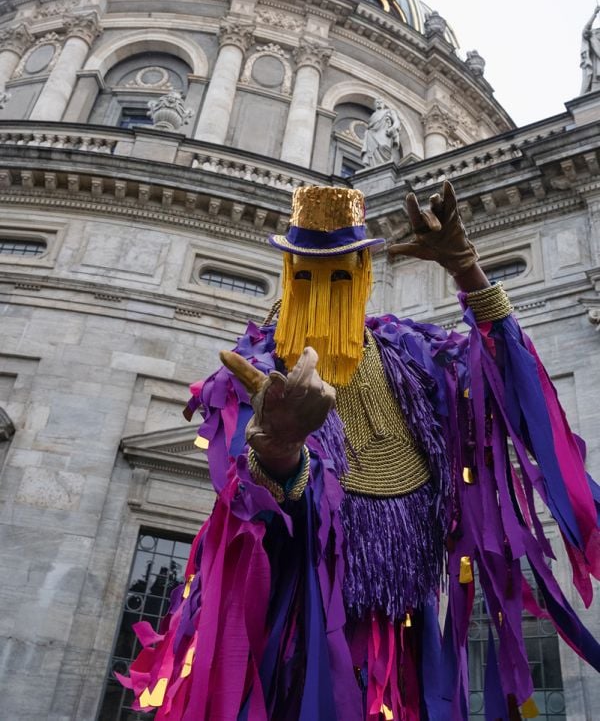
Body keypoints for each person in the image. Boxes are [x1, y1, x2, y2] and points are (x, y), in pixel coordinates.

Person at [119, 183, 600, 720]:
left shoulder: (410, 352)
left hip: (409, 625)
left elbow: (508, 384)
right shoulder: (254, 371)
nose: (323, 289)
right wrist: (280, 446)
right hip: (299, 629)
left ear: (365, 274)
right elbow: (250, 503)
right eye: (305, 274)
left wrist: (467, 269)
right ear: (287, 274)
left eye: (341, 272)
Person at [361, 98, 402, 165]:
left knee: (384, 148)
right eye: (377, 102)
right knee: (371, 154)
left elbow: (397, 122)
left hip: (385, 133)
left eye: (381, 102)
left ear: (384, 104)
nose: (379, 103)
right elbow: (370, 126)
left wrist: (393, 128)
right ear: (375, 105)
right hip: (371, 135)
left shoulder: (389, 111)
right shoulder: (373, 115)